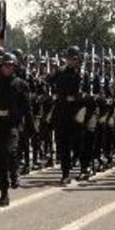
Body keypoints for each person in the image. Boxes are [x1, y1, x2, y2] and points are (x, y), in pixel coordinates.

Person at [0, 52, 30, 206]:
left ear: (15, 67)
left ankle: (14, 172)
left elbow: (26, 108)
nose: (8, 68)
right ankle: (4, 193)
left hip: (12, 125)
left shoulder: (21, 85)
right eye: (5, 65)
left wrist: (29, 126)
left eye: (11, 65)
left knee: (10, 152)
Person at [48, 46, 84, 185]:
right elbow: (48, 81)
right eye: (69, 58)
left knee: (78, 143)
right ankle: (65, 173)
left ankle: (82, 165)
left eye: (73, 58)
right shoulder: (61, 72)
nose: (71, 61)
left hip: (76, 110)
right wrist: (53, 72)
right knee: (63, 144)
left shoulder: (82, 73)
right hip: (62, 110)